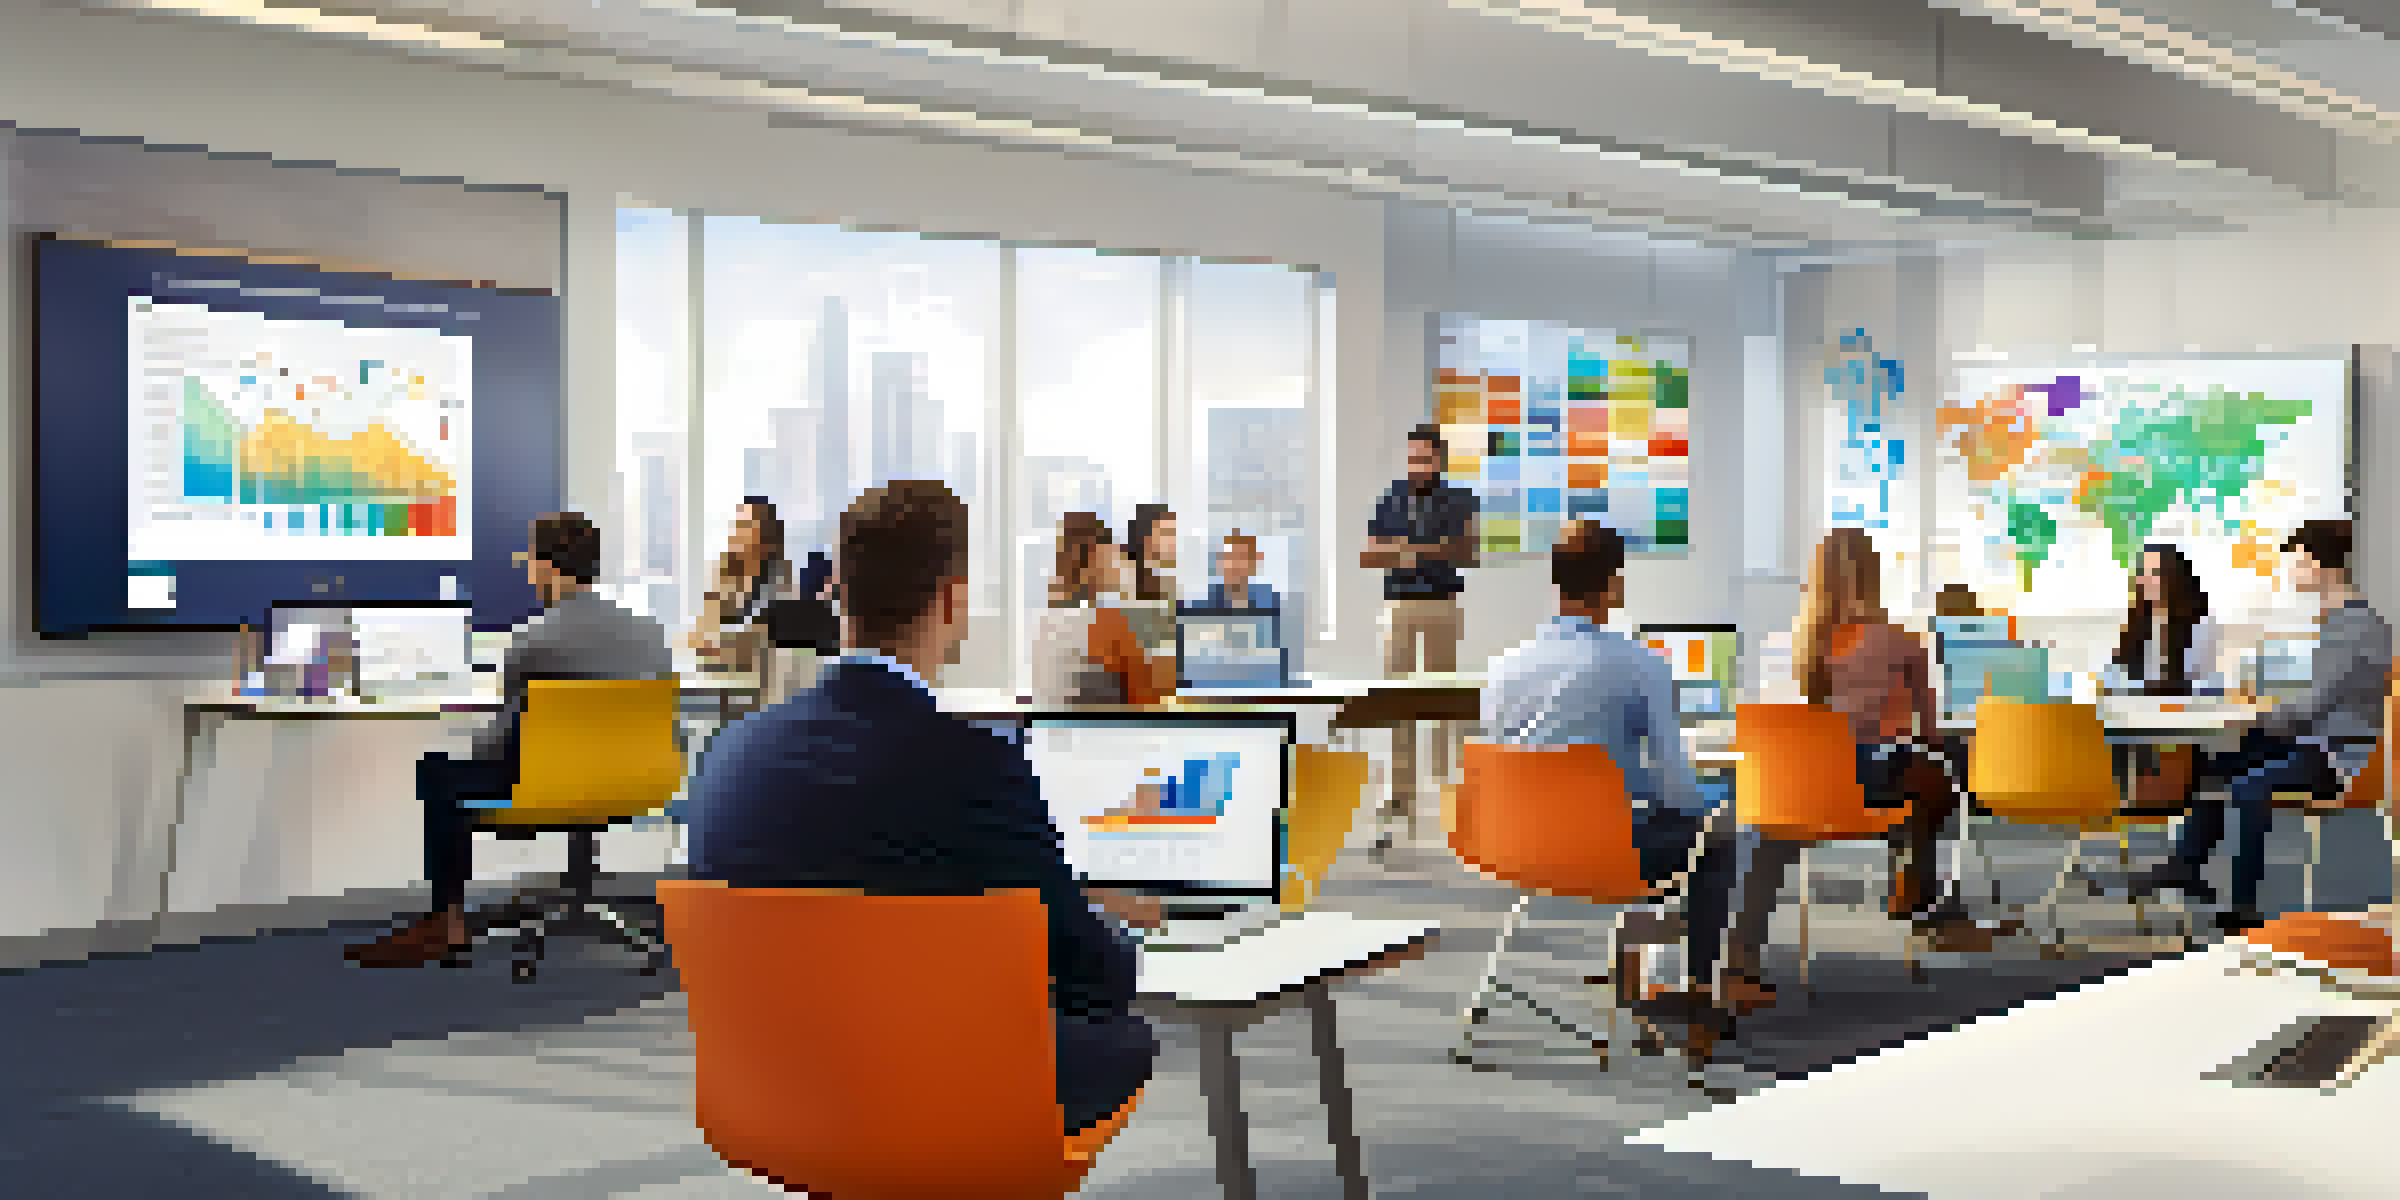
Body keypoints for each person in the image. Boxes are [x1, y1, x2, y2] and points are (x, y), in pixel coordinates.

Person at [680, 481, 1159, 1136]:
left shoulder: (730, 752)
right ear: (953, 600)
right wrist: (1116, 926)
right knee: (1125, 1039)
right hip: (943, 1100)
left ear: (841, 595)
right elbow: (1092, 978)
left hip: (773, 1096)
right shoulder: (974, 762)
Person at [346, 512, 674, 967]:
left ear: (546, 566)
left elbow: (501, 741)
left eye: (531, 559)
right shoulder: (651, 633)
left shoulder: (535, 638)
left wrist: (472, 751)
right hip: (634, 783)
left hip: (546, 790)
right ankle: (559, 896)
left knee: (440, 774)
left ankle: (448, 923)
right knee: (492, 772)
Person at [1481, 521, 1743, 1027]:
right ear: (1615, 584)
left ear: (1555, 580)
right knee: (1718, 829)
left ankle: (1636, 969)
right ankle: (1698, 992)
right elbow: (1672, 786)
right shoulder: (1639, 664)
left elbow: (1534, 767)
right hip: (1607, 853)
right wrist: (1717, 798)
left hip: (1519, 847)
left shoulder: (1504, 668)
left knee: (1659, 817)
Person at [2127, 520, 2393, 932]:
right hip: (2318, 742)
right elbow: (2318, 702)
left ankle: (2242, 905)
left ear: (2321, 565)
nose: (2293, 572)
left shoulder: (2354, 626)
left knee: (2249, 786)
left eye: (2298, 563)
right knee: (2220, 763)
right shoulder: (2342, 621)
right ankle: (2186, 866)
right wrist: (2262, 718)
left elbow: (2316, 703)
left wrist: (2260, 713)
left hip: (2340, 757)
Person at [1761, 529, 1991, 955]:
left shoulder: (1805, 644)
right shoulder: (1900, 640)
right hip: (1884, 777)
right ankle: (1927, 897)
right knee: (1943, 770)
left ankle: (1915, 883)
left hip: (1827, 786)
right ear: (1872, 574)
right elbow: (1930, 728)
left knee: (1922, 777)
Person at [1361, 424, 1481, 838]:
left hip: (1443, 605)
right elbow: (1369, 555)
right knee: (1398, 701)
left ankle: (1448, 791)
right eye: (1412, 457)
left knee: (1443, 701)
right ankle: (1400, 795)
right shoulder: (1391, 498)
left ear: (1439, 460)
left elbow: (1468, 551)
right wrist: (1428, 548)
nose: (1418, 464)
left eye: (1425, 457)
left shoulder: (1460, 499)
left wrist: (1408, 548)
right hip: (1399, 605)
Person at [2105, 544, 2219, 814]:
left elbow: (2204, 682)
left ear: (2174, 576)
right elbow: (2120, 674)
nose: (2147, 581)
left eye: (2154, 573)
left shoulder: (2198, 625)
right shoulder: (2137, 625)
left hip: (2182, 720)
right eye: (2143, 573)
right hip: (2140, 718)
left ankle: (2150, 794)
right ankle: (2127, 794)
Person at [1033, 513, 1175, 706]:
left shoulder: (1046, 620)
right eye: (1113, 554)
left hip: (1050, 733)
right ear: (1096, 556)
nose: (1119, 561)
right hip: (1101, 733)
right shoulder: (1105, 622)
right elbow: (1150, 698)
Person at [686, 497, 798, 672]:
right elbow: (696, 638)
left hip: (762, 676)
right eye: (739, 525)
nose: (739, 533)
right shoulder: (723, 572)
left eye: (748, 525)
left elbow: (768, 644)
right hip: (716, 672)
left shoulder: (782, 577)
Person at [1122, 504, 1180, 652]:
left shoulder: (1167, 584)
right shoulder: (1124, 583)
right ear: (1145, 537)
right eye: (1167, 533)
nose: (1173, 541)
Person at [1200, 530, 1278, 611]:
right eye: (1230, 557)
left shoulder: (1268, 599)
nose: (1236, 565)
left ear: (1253, 563)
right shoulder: (1207, 599)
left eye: (1243, 558)